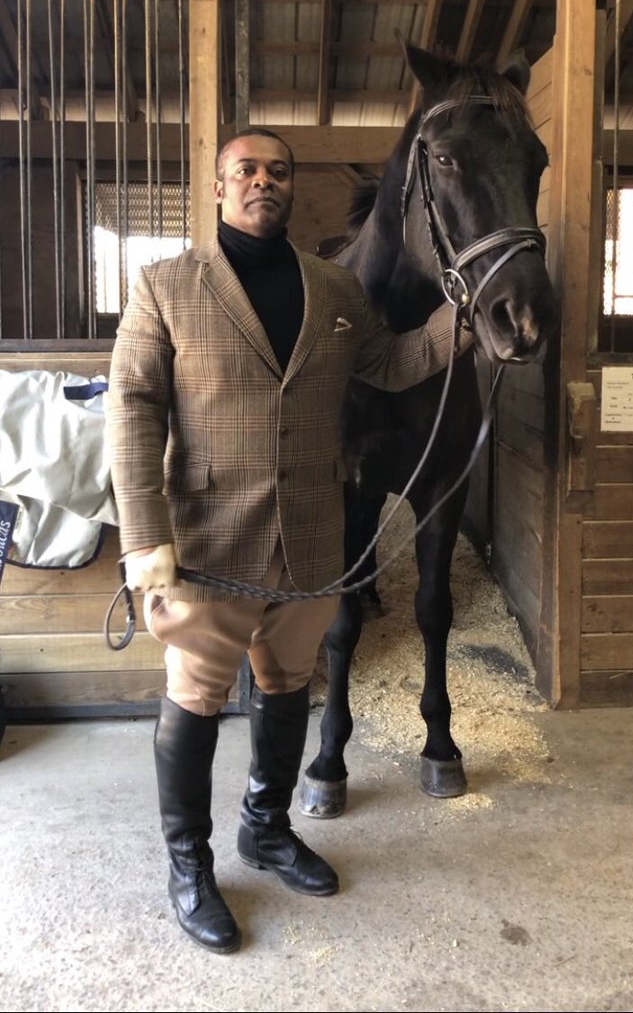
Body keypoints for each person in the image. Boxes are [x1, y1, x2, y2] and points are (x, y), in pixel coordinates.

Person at [105, 128, 470, 955]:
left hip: (310, 539)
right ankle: (189, 864)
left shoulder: (335, 287)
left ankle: (264, 830)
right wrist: (142, 536)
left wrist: (463, 318)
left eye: (276, 171)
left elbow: (396, 359)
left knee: (286, 688)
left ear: (289, 188)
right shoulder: (165, 286)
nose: (261, 181)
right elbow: (131, 409)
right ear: (218, 187)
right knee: (197, 699)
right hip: (206, 544)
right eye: (245, 170)